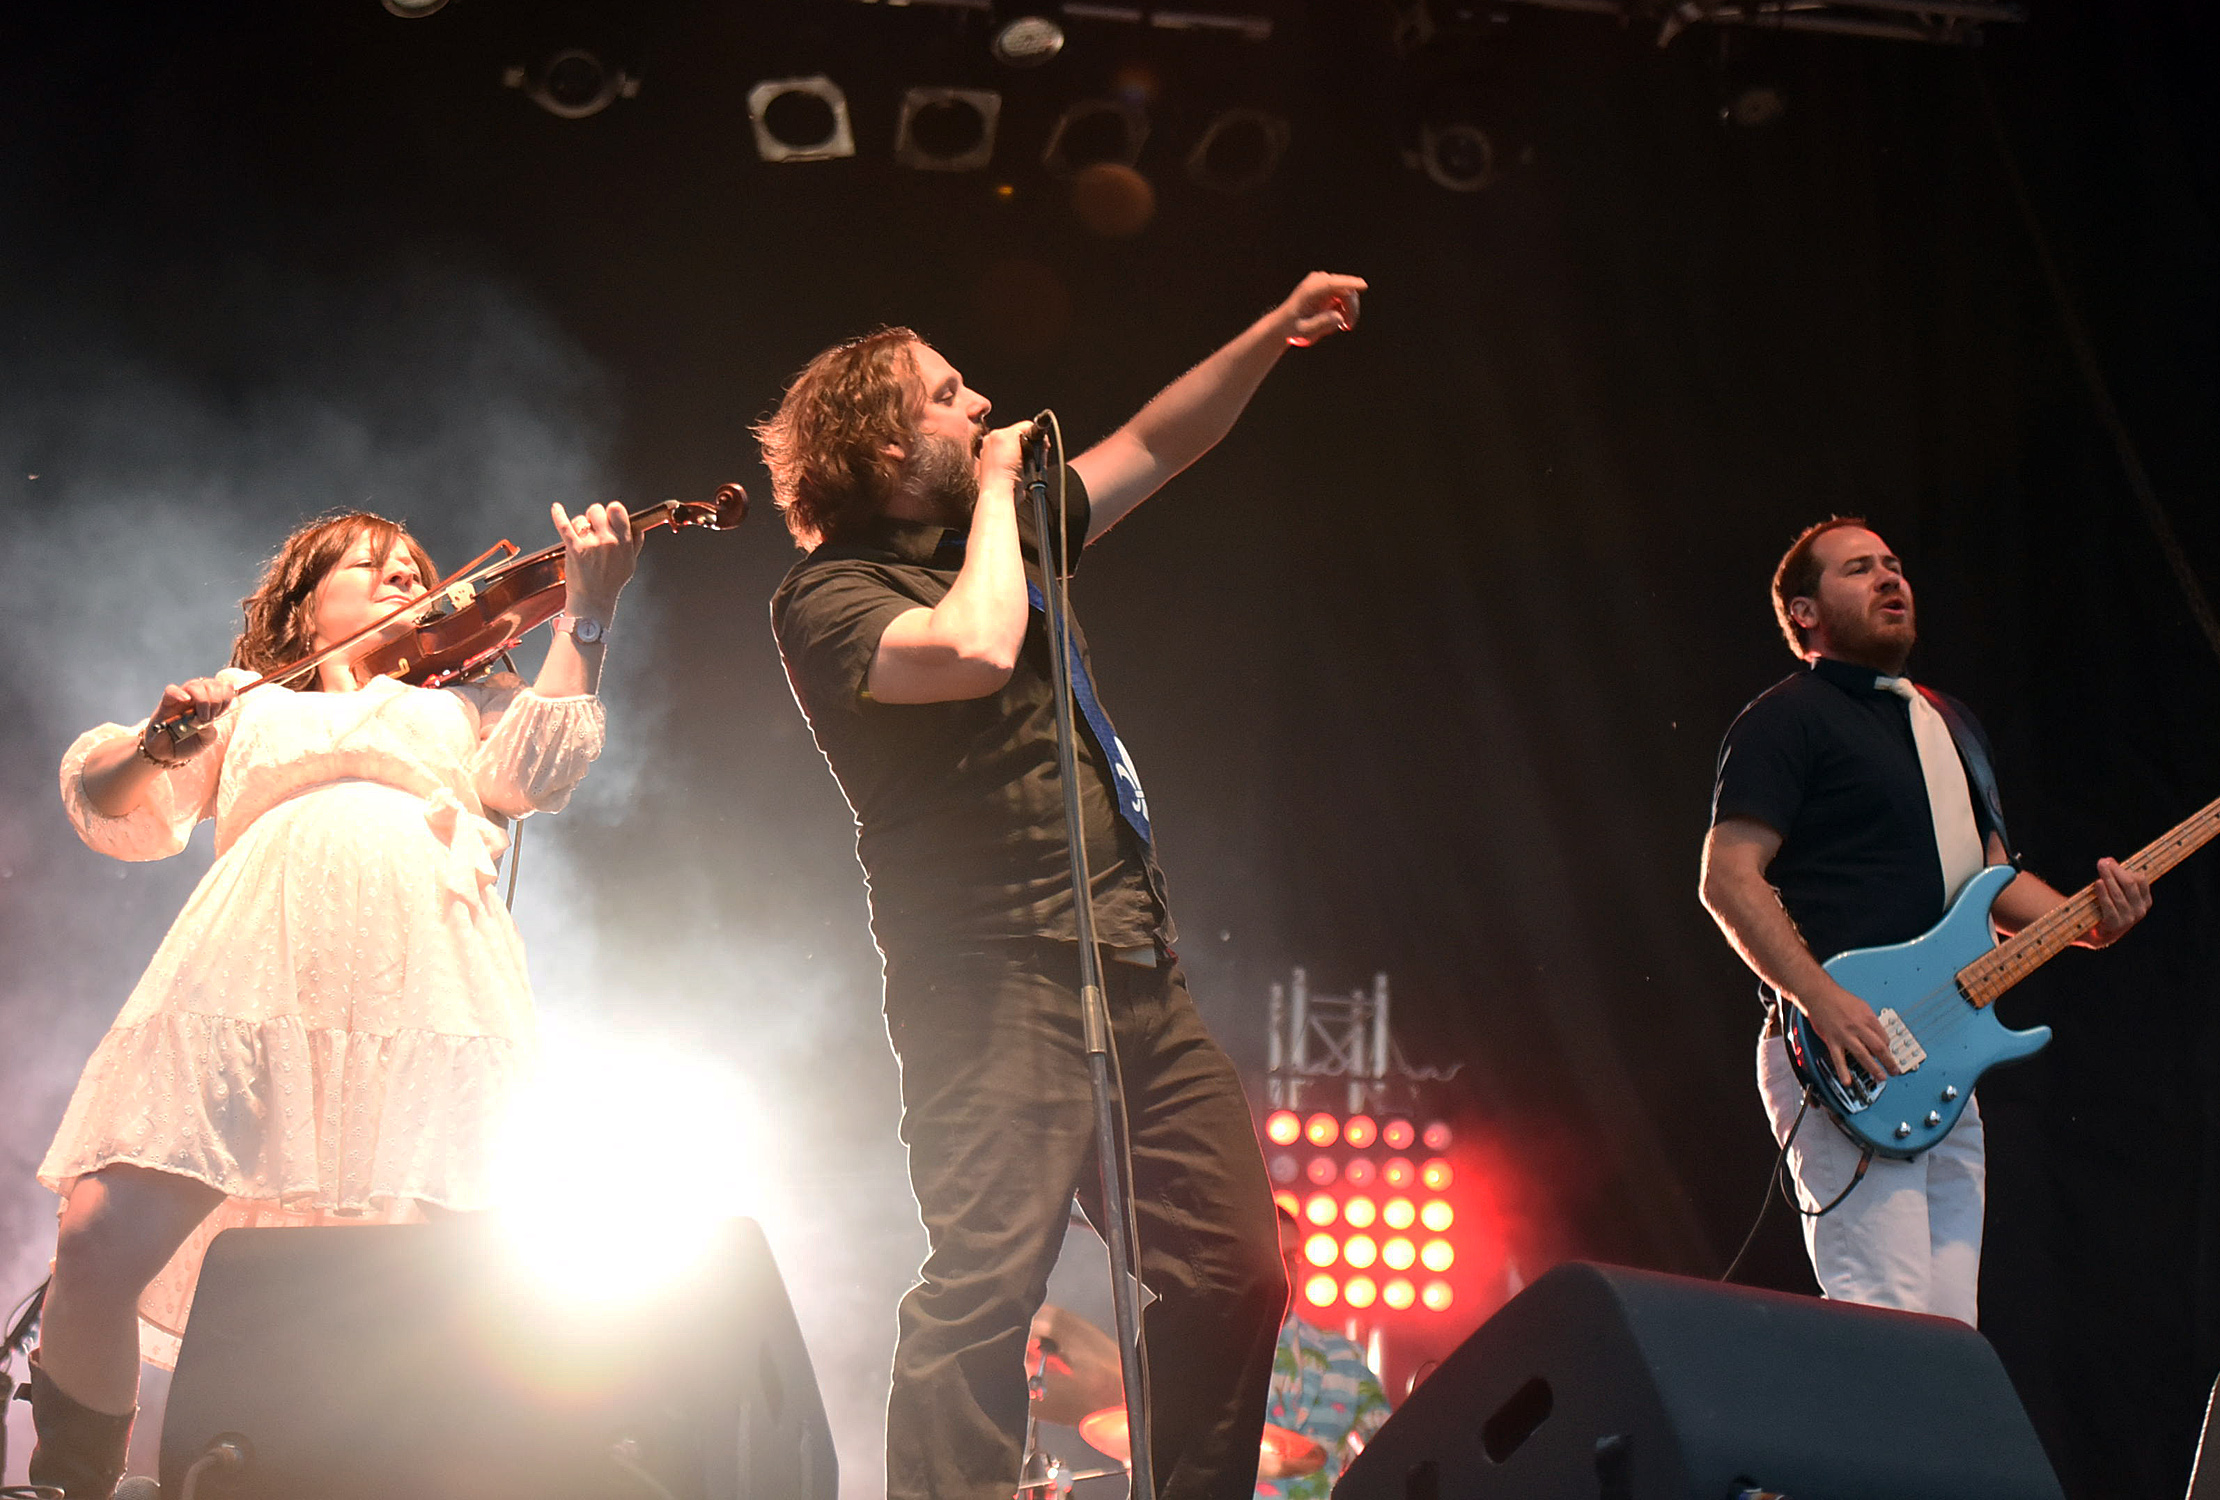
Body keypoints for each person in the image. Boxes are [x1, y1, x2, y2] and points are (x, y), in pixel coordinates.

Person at [760, 270, 1367, 1500]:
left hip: (1129, 957)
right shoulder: (829, 596)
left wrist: (1269, 330)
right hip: (986, 974)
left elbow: (1157, 439)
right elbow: (977, 651)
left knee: (1236, 1267)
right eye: (948, 396)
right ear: (883, 443)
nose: (982, 405)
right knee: (987, 1279)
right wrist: (996, 493)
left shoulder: (1013, 534)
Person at [29, 501, 641, 1499]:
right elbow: (107, 802)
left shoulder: (469, 692)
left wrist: (589, 611)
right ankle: (70, 1485)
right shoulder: (249, 697)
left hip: (428, 981)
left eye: (415, 567)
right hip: (248, 972)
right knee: (97, 1241)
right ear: (306, 611)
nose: (407, 575)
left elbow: (542, 769)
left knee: (450, 1284)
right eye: (373, 566)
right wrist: (158, 739)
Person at [1698, 516, 2152, 1323]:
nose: (1889, 579)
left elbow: (1989, 882)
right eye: (1859, 569)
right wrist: (1818, 998)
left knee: (1948, 1334)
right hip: (1846, 1053)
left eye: (1895, 566)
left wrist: (2095, 920)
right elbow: (1727, 878)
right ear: (1804, 612)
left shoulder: (1953, 726)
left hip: (1940, 1062)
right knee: (1885, 1315)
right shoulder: (1784, 718)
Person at [1253, 1206, 1391, 1500]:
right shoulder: (1204, 1359)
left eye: (1291, 1258)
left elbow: (1393, 1452)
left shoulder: (1343, 1357)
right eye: (1271, 1256)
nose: (1283, 1270)